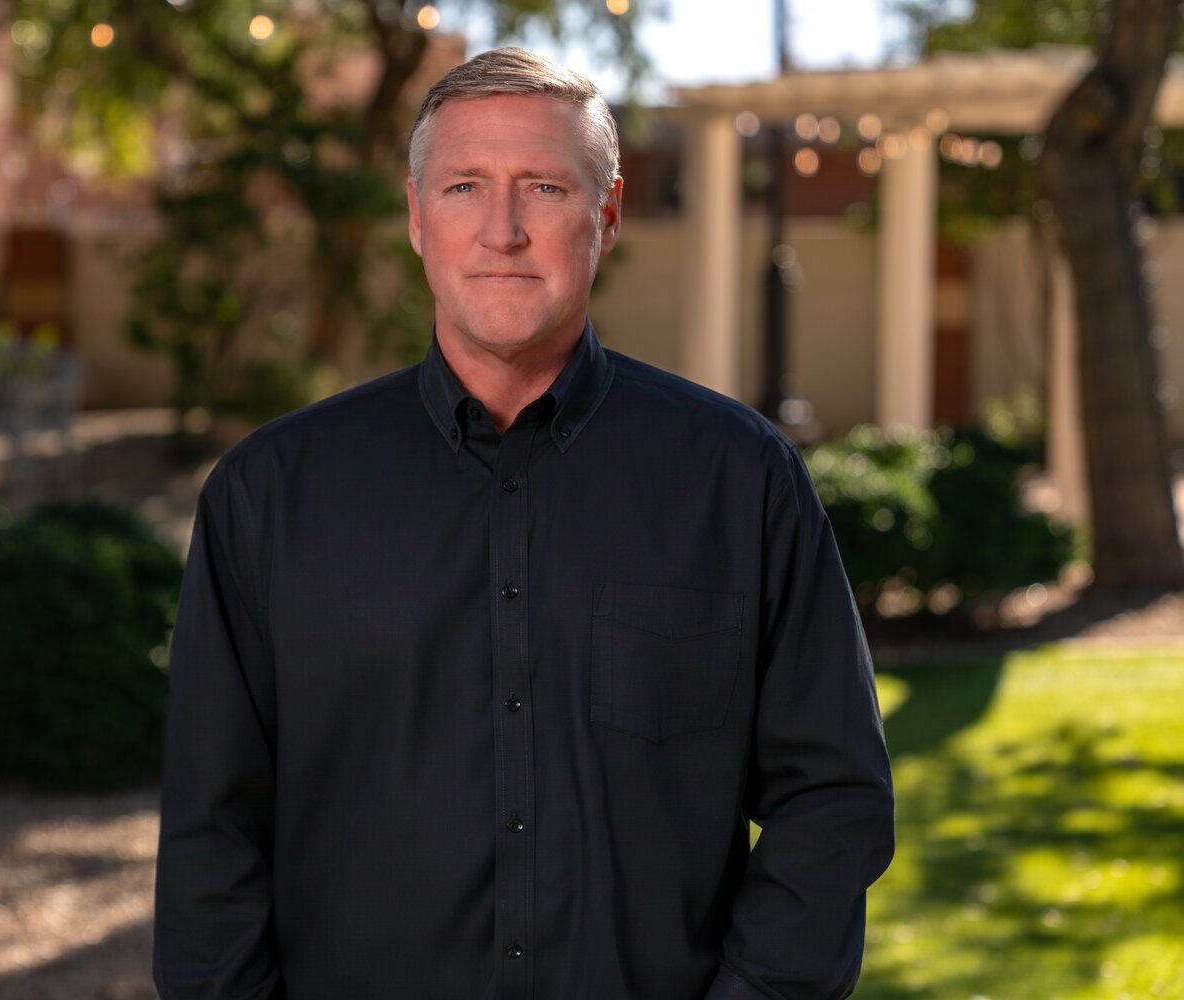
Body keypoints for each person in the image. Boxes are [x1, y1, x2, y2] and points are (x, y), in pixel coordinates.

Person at [153, 47, 894, 1000]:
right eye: (464, 187)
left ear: (608, 214)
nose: (501, 230)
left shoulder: (738, 481)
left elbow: (829, 799)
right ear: (418, 220)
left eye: (543, 187)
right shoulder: (268, 495)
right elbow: (212, 831)